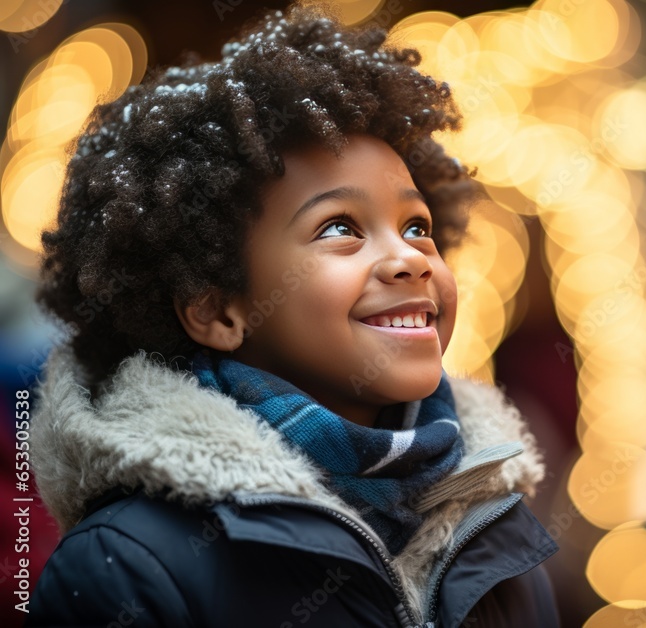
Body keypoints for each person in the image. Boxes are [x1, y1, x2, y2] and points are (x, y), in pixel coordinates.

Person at [26, 4, 558, 626]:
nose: (410, 259)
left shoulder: (495, 532)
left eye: (417, 226)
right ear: (216, 307)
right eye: (341, 227)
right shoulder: (130, 564)